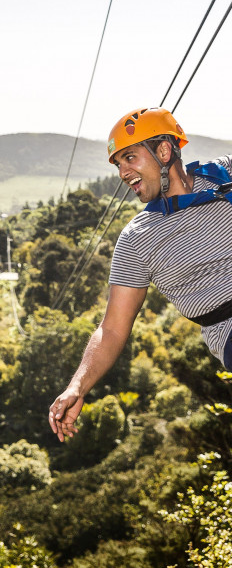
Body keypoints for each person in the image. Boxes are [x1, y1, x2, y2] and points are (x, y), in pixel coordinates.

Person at [49, 106, 232, 443]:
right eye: (119, 165)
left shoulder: (223, 173)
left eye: (130, 158)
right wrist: (77, 385)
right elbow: (113, 328)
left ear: (164, 151)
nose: (123, 172)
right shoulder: (137, 239)